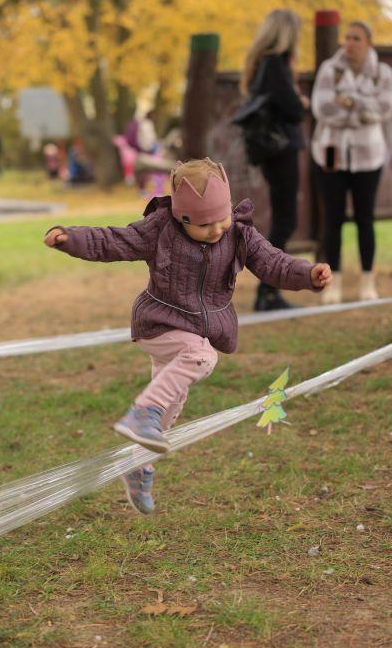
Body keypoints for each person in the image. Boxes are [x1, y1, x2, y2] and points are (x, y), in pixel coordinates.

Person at [44, 158, 331, 515]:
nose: (216, 230)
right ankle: (142, 412)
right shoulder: (159, 229)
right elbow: (114, 240)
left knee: (172, 404)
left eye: (221, 219)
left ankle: (138, 466)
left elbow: (274, 263)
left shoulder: (239, 233)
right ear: (181, 217)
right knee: (202, 357)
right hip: (160, 323)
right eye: (204, 224)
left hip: (195, 331)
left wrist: (308, 274)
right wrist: (71, 238)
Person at [311, 20, 392, 303]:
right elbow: (322, 108)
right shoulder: (329, 69)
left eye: (356, 38)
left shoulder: (383, 73)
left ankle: (367, 282)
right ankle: (332, 282)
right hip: (330, 152)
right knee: (332, 218)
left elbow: (385, 108)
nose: (349, 43)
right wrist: (362, 110)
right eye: (346, 37)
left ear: (368, 43)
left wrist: (348, 101)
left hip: (369, 155)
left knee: (365, 218)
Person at [240, 9, 310, 312]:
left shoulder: (262, 63)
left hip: (272, 150)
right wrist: (301, 101)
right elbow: (293, 109)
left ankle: (268, 290)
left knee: (283, 219)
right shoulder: (274, 64)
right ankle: (267, 292)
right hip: (280, 149)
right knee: (285, 220)